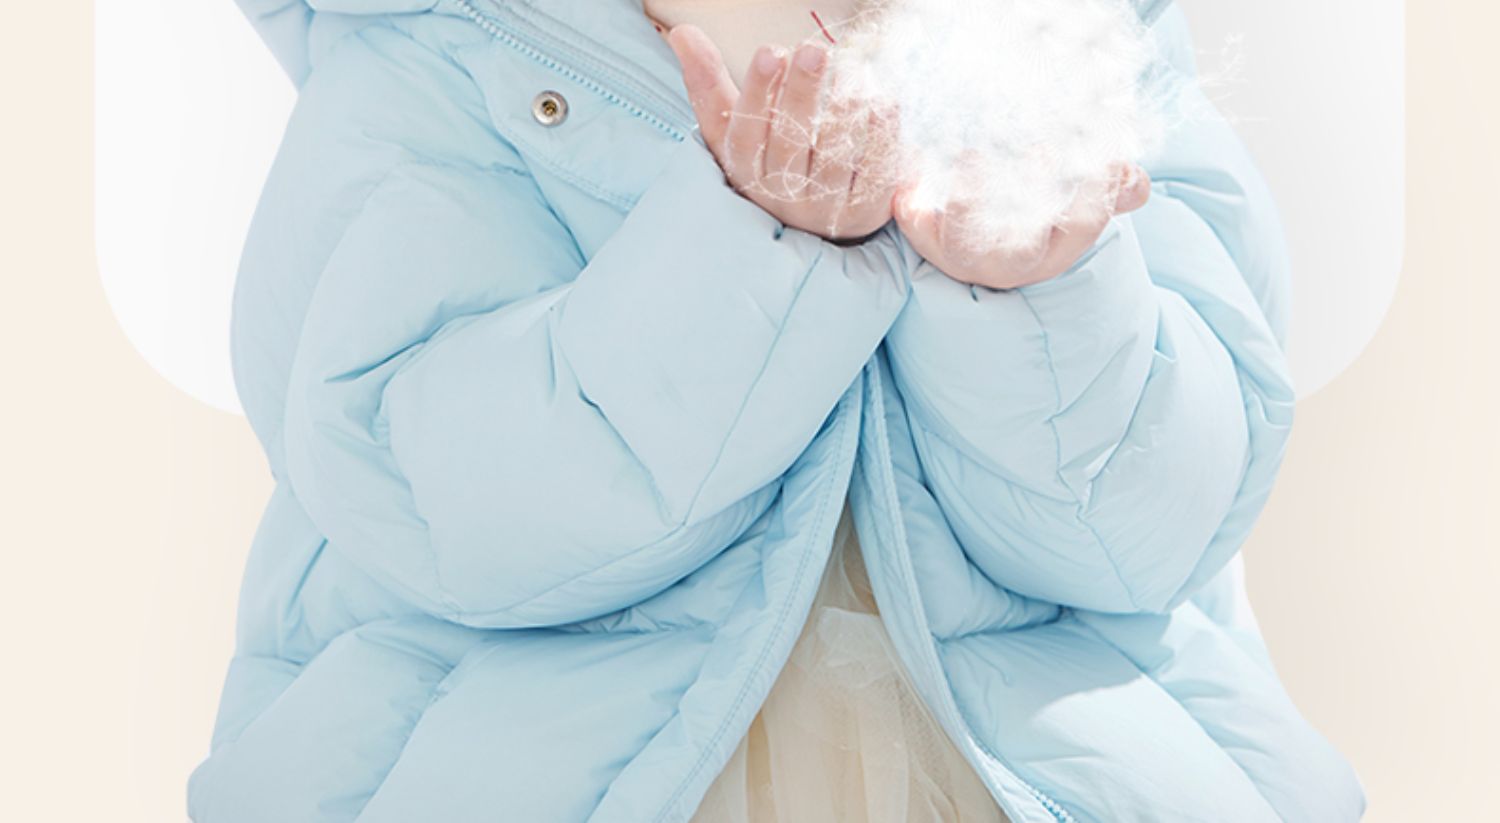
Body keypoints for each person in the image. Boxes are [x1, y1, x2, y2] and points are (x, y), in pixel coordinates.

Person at [190, 1, 1364, 821]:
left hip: (1045, 761)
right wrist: (750, 256)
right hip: (542, 755)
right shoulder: (437, 59)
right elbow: (437, 502)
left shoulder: (1074, 34)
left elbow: (1156, 523)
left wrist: (1033, 290)